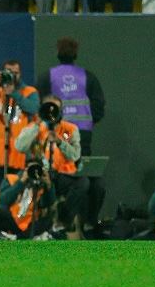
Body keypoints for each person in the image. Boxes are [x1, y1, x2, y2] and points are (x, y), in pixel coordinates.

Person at [36, 36, 106, 229]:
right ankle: (87, 223)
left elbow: (39, 105)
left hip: (56, 135)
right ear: (76, 54)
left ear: (57, 53)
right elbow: (99, 105)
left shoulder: (47, 77)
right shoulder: (87, 76)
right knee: (87, 178)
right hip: (82, 136)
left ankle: (61, 222)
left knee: (73, 178)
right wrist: (88, 121)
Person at [15, 96, 86, 235]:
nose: (51, 112)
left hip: (62, 174)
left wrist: (60, 142)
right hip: (40, 173)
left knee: (83, 183)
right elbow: (19, 146)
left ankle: (63, 222)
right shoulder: (34, 127)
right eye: (47, 108)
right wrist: (37, 125)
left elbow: (75, 156)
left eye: (55, 109)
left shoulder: (70, 129)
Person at [0, 59, 40, 209]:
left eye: (15, 73)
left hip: (18, 156)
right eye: (9, 72)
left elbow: (33, 108)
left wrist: (14, 94)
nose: (12, 76)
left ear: (20, 74)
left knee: (14, 196)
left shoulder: (29, 92)